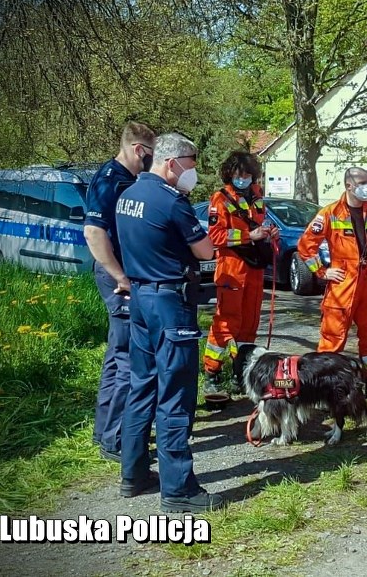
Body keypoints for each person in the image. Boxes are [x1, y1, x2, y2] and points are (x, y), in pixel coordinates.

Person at [114, 132, 223, 513]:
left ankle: (134, 474)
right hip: (170, 302)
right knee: (176, 394)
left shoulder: (127, 196)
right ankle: (178, 490)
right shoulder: (171, 201)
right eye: (192, 163)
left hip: (139, 298)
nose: (194, 171)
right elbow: (206, 250)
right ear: (172, 162)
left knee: (141, 386)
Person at [84, 120, 156, 463]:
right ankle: (116, 439)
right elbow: (93, 234)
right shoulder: (110, 180)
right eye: (152, 154)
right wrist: (120, 276)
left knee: (117, 355)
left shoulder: (127, 179)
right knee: (130, 359)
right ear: (139, 150)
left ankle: (105, 430)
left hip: (122, 272)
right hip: (118, 275)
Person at [297, 167, 367, 398]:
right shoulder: (330, 213)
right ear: (349, 185)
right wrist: (322, 271)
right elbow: (306, 246)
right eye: (363, 182)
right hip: (342, 284)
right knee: (332, 337)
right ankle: (323, 387)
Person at [202, 151, 279, 400]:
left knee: (249, 324)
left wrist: (269, 234)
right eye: (239, 174)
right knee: (226, 324)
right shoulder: (220, 199)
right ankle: (211, 375)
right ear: (230, 174)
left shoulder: (256, 195)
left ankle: (241, 373)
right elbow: (215, 237)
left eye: (247, 174)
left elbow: (258, 223)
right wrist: (249, 236)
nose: (243, 178)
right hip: (231, 269)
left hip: (254, 269)